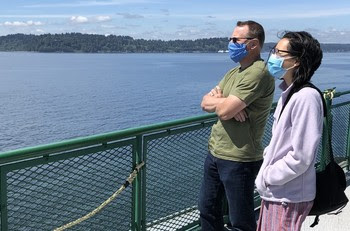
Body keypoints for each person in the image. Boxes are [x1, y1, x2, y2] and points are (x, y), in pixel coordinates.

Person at [199, 20, 275, 231]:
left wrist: (225, 105)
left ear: (253, 45)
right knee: (207, 209)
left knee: (240, 221)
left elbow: (222, 111)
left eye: (235, 39)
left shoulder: (258, 73)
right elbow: (205, 102)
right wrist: (227, 103)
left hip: (240, 158)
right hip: (215, 152)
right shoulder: (234, 73)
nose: (230, 43)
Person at [255, 31, 324, 231]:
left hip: (287, 196)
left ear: (296, 62)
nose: (272, 56)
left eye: (278, 51)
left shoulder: (306, 97)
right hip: (279, 193)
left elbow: (301, 156)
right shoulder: (290, 92)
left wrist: (268, 176)